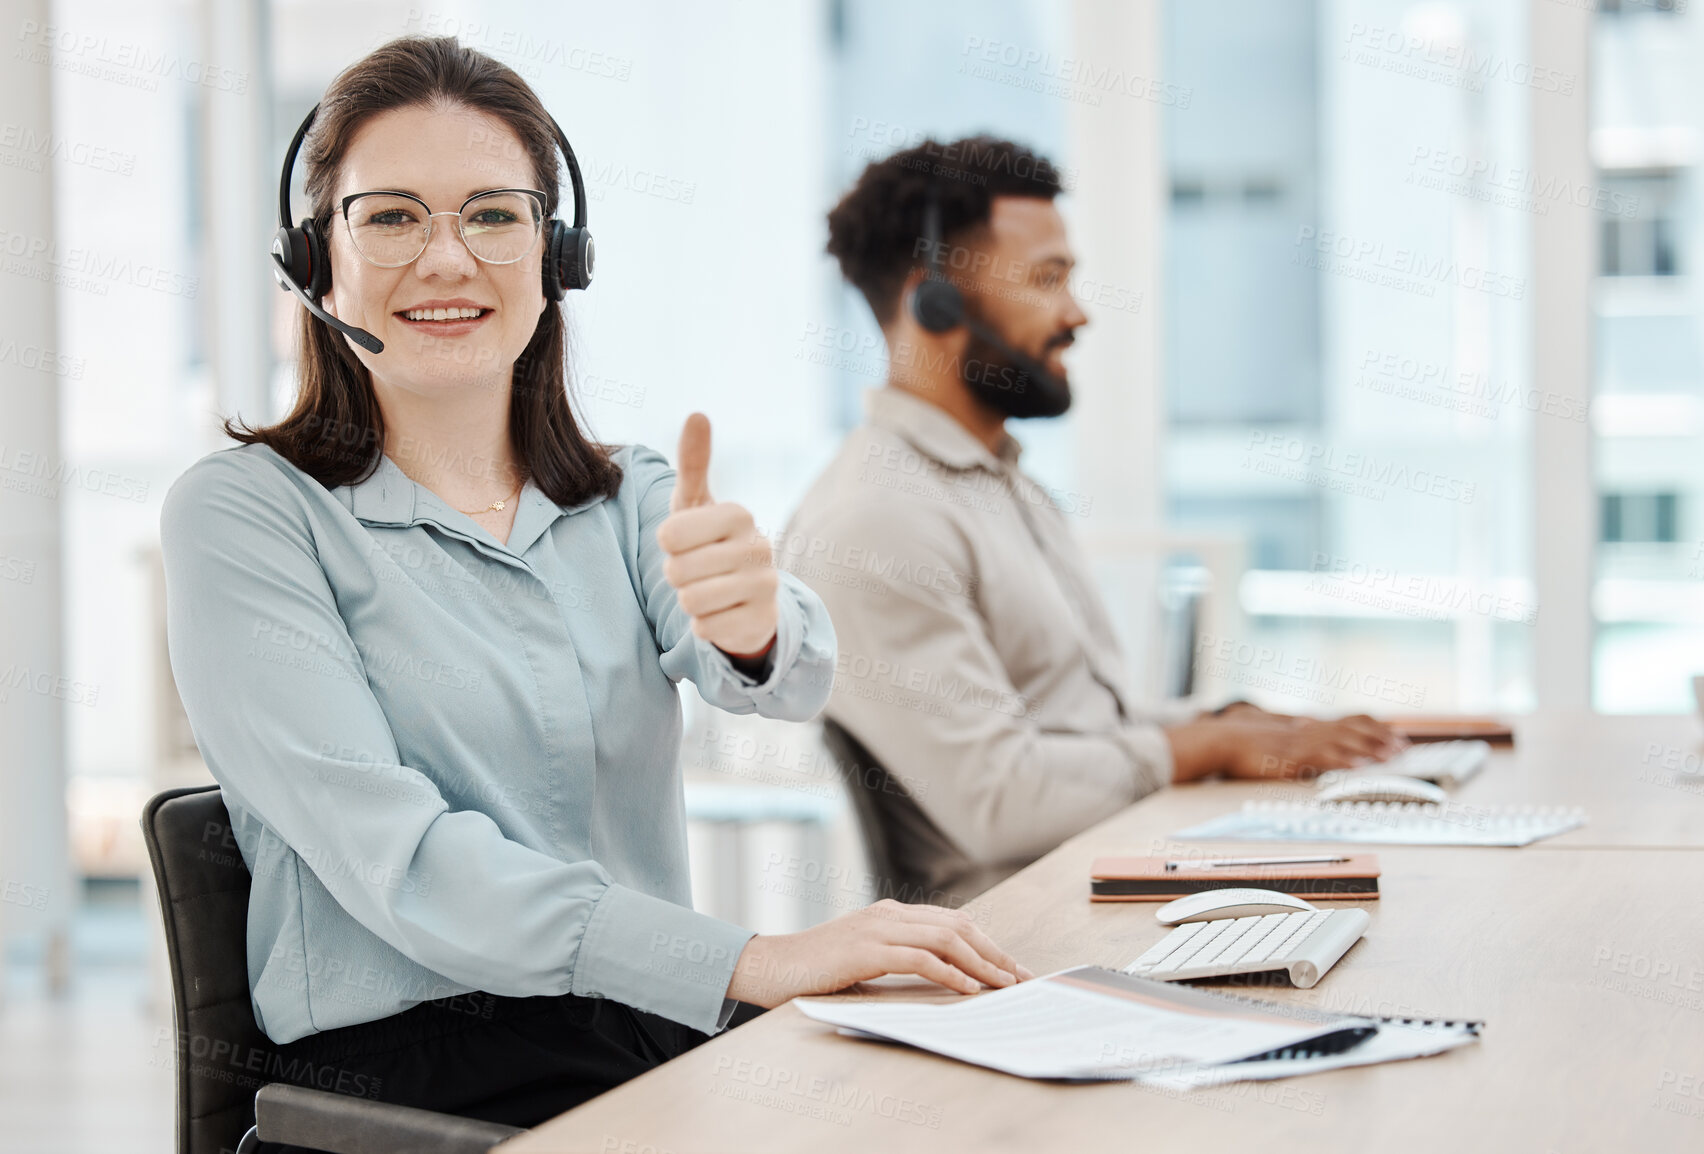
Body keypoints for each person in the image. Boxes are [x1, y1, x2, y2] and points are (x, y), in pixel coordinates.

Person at [159, 38, 1029, 1129]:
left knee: (947, 1099)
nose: (447, 256)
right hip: (417, 1076)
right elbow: (404, 859)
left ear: (555, 256)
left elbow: (786, 678)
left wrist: (756, 626)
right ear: (314, 258)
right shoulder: (246, 515)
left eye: (493, 214)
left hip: (642, 1023)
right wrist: (747, 957)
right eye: (390, 216)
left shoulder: (626, 496)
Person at [784, 136, 1407, 903]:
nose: (1076, 313)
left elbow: (1082, 723)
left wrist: (1227, 722)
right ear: (933, 299)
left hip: (1106, 883)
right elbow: (1001, 803)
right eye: (1047, 279)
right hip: (1026, 942)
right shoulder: (879, 522)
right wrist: (1202, 744)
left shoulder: (995, 485)